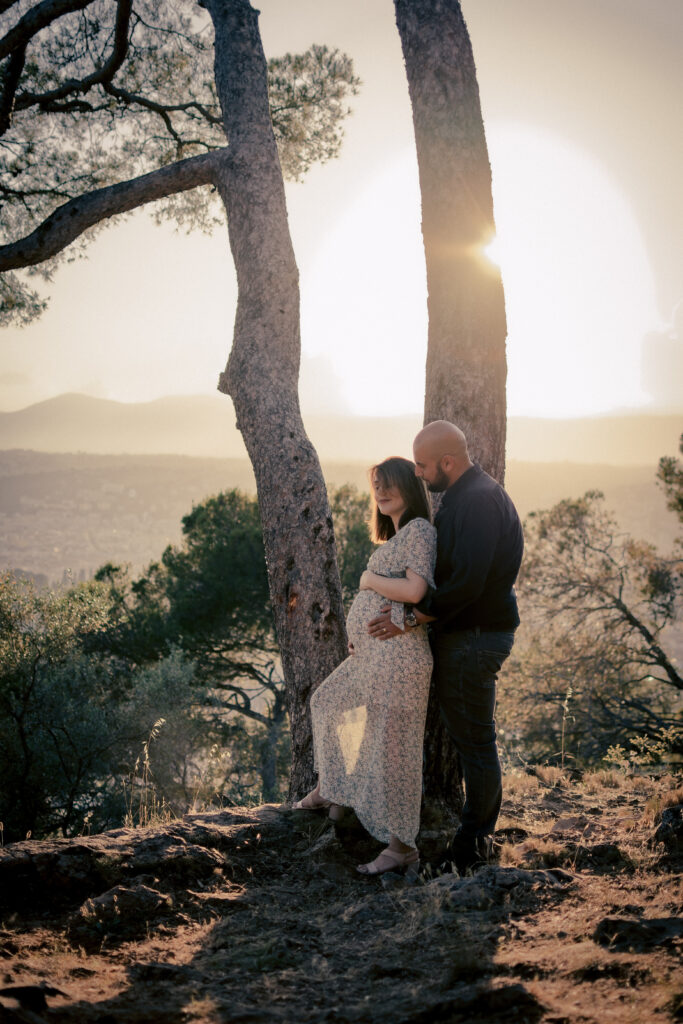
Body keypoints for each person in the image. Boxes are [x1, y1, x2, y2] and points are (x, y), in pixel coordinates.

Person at [368, 421, 524, 874]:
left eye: (422, 465)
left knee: (475, 745)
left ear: (447, 463)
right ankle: (474, 838)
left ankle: (473, 848)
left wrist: (412, 617)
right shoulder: (466, 495)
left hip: (474, 638)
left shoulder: (476, 502)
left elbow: (466, 586)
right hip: (471, 635)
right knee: (473, 742)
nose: (417, 473)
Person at [292, 456, 437, 878]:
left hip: (402, 661)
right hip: (376, 658)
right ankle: (333, 788)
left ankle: (401, 848)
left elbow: (415, 589)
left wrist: (368, 582)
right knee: (327, 703)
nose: (381, 490)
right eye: (376, 483)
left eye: (389, 483)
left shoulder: (420, 531)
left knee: (396, 752)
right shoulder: (395, 537)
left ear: (410, 488)